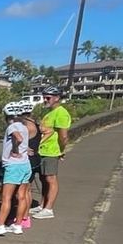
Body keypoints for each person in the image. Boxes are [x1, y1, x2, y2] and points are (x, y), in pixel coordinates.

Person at [0, 102, 32, 236]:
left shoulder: (13, 126)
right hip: (25, 164)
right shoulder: (23, 126)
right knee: (21, 196)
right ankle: (17, 225)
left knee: (6, 197)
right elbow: (15, 140)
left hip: (13, 165)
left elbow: (18, 138)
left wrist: (15, 150)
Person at [33, 85, 71, 218]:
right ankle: (43, 205)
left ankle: (49, 209)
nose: (45, 100)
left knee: (51, 179)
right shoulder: (49, 113)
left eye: (48, 97)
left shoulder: (61, 113)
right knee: (43, 179)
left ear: (57, 98)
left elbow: (63, 136)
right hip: (43, 150)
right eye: (44, 97)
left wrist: (61, 150)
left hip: (51, 151)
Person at [16, 99, 41, 228]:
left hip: (29, 160)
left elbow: (17, 140)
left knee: (24, 191)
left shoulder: (26, 126)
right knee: (28, 190)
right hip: (35, 158)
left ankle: (24, 218)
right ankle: (26, 217)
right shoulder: (34, 123)